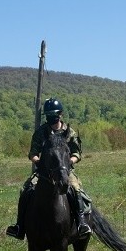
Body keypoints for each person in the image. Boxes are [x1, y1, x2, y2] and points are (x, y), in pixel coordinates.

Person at [6, 98, 92, 240]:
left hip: (65, 170)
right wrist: (38, 162)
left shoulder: (70, 132)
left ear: (60, 114)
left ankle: (82, 223)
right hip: (44, 170)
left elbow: (77, 153)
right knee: (26, 189)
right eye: (49, 115)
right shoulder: (41, 132)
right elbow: (33, 153)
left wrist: (69, 162)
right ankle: (19, 226)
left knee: (76, 188)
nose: (52, 117)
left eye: (55, 114)